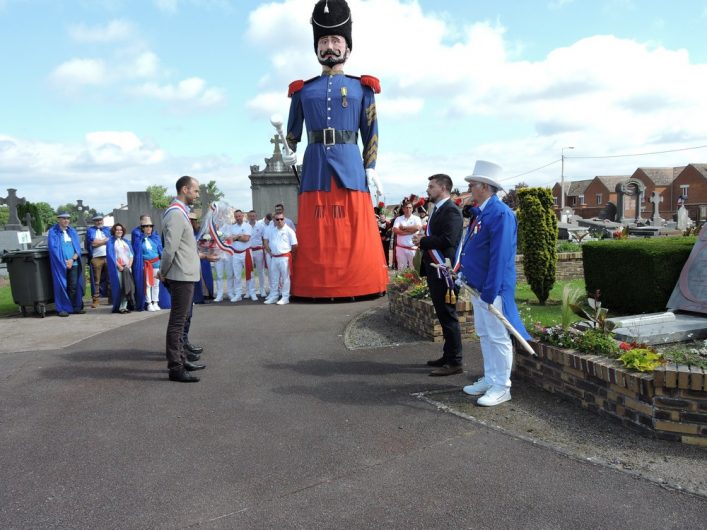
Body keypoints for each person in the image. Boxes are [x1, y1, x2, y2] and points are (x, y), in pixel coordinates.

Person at [284, 0, 387, 299]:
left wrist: (370, 167)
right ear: (317, 48)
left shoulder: (363, 88)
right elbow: (293, 133)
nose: (329, 46)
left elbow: (372, 132)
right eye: (324, 41)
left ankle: (361, 283)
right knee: (317, 224)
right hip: (315, 162)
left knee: (352, 225)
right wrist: (290, 149)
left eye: (336, 40)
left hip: (350, 161)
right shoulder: (302, 91)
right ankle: (312, 286)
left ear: (348, 48)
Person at [459, 161, 531, 406]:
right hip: (478, 286)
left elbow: (499, 256)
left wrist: (490, 290)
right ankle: (491, 378)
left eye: (472, 184)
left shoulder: (500, 213)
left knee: (498, 336)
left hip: (492, 288)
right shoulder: (483, 212)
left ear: (484, 187)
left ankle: (502, 386)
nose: (469, 187)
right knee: (485, 334)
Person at [412, 174, 464, 376]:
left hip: (446, 270)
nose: (427, 189)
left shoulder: (451, 210)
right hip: (436, 269)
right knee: (443, 315)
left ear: (443, 188)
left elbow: (448, 240)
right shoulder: (438, 209)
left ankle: (456, 362)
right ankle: (448, 355)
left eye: (431, 186)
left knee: (448, 316)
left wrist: (423, 242)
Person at [159, 176, 206, 383]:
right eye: (195, 191)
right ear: (185, 189)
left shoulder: (181, 213)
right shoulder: (176, 214)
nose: (197, 195)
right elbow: (170, 249)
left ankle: (181, 358)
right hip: (180, 275)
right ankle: (175, 367)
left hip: (185, 273)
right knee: (178, 322)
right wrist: (164, 271)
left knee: (183, 318)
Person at [47, 212, 86, 317]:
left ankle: (74, 306)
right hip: (60, 264)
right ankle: (62, 308)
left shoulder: (72, 231)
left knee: (74, 286)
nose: (66, 221)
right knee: (61, 286)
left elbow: (77, 248)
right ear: (58, 219)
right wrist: (64, 261)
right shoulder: (53, 232)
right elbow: (53, 249)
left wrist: (72, 260)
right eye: (63, 219)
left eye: (68, 219)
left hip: (74, 263)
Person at [131, 215, 170, 312]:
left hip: (156, 263)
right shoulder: (138, 238)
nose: (149, 228)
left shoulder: (155, 237)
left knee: (156, 284)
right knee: (148, 284)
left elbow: (161, 250)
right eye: (146, 226)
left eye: (150, 226)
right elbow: (136, 249)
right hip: (146, 264)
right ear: (142, 227)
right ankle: (149, 303)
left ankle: (155, 302)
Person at [263, 213, 298, 305]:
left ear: (284, 219)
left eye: (281, 219)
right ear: (274, 220)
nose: (279, 221)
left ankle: (285, 297)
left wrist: (291, 255)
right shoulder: (272, 231)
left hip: (284, 257)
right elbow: (267, 241)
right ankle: (274, 296)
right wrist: (270, 252)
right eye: (277, 219)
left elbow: (295, 245)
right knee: (274, 278)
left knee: (285, 278)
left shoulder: (289, 231)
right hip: (274, 257)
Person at [106, 223, 135, 314]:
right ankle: (120, 306)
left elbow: (131, 254)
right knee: (121, 287)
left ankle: (125, 306)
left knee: (127, 286)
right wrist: (119, 266)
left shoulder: (126, 241)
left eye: (121, 230)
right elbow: (111, 256)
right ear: (114, 231)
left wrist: (129, 265)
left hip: (127, 267)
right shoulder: (111, 242)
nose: (119, 231)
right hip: (118, 268)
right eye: (117, 229)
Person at [85, 214, 111, 308]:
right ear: (94, 222)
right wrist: (104, 241)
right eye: (96, 220)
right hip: (96, 257)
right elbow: (92, 244)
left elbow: (110, 240)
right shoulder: (90, 230)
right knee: (96, 280)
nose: (99, 222)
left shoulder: (107, 229)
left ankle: (111, 299)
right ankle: (96, 300)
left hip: (108, 257)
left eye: (100, 220)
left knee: (110, 279)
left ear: (102, 220)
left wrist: (98, 242)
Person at [228, 209, 254, 302]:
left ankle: (251, 292)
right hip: (236, 253)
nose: (238, 218)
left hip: (246, 253)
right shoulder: (232, 227)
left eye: (239, 216)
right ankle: (238, 294)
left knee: (250, 273)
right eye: (236, 216)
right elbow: (230, 239)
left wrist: (237, 237)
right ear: (234, 217)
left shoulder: (247, 226)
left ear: (243, 216)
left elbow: (246, 239)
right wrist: (239, 236)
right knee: (237, 275)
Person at [393, 201, 422, 270]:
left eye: (410, 207)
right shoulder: (398, 219)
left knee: (414, 270)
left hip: (413, 248)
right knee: (401, 269)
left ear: (412, 209)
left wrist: (404, 228)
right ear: (403, 209)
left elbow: (417, 228)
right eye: (406, 208)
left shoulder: (416, 218)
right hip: (401, 249)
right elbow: (395, 230)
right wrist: (409, 232)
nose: (408, 209)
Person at [248, 210, 269, 298]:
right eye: (251, 216)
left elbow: (265, 239)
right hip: (249, 251)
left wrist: (266, 249)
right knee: (250, 271)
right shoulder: (246, 226)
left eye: (254, 216)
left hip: (259, 250)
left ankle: (262, 289)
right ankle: (250, 290)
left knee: (260, 271)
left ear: (256, 216)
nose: (252, 218)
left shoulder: (261, 226)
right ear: (248, 217)